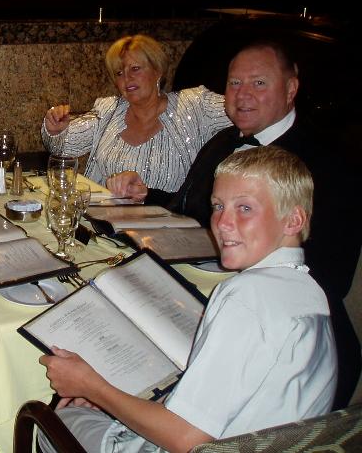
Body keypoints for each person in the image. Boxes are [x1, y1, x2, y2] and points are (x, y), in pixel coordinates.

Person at [106, 40, 360, 408]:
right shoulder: (223, 142)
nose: (242, 95)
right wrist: (148, 195)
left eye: (259, 83)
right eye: (234, 83)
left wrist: (234, 283)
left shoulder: (328, 164)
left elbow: (332, 276)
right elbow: (191, 209)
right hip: (196, 299)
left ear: (291, 89)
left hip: (285, 348)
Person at [39, 146, 337, 453]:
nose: (222, 223)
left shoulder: (246, 298)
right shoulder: (311, 293)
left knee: (53, 421)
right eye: (218, 206)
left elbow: (187, 439)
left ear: (293, 220)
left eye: (245, 208)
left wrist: (92, 387)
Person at [42, 35, 230, 192]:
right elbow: (62, 147)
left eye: (135, 69)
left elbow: (241, 109)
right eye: (119, 73)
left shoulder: (194, 105)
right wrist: (56, 129)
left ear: (157, 71)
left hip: (168, 221)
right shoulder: (109, 110)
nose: (127, 78)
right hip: (106, 220)